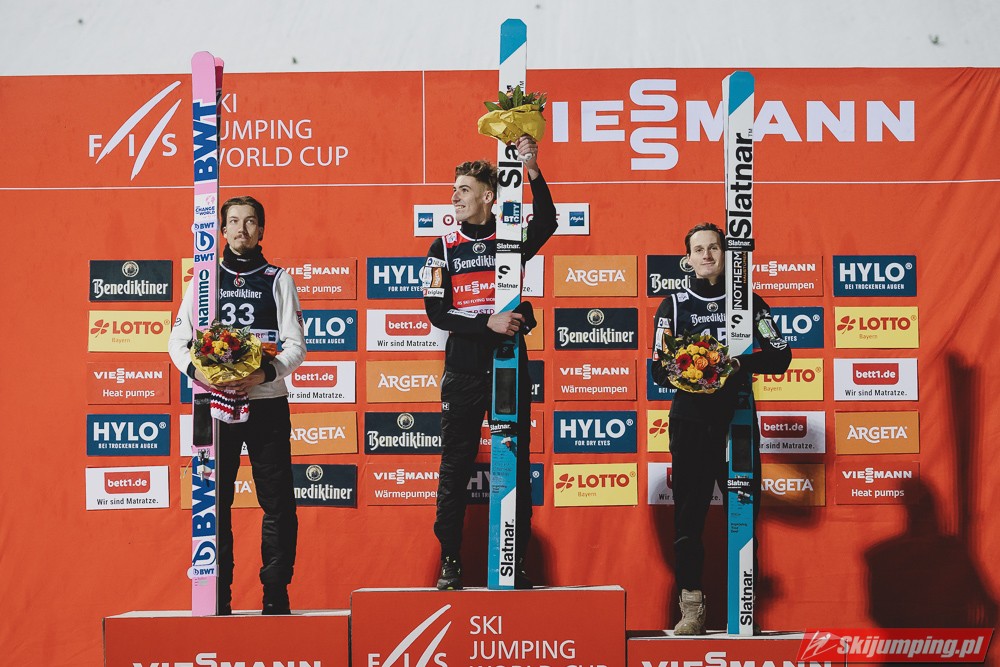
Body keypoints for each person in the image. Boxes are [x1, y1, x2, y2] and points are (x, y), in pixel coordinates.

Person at [421, 134, 557, 590]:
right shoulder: (441, 247)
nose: (455, 197)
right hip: (462, 370)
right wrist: (488, 323)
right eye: (454, 190)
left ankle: (514, 563)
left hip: (509, 366)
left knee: (515, 464)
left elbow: (549, 221)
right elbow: (437, 312)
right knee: (455, 468)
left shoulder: (511, 238)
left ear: (488, 197)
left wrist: (531, 168)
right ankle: (450, 561)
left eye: (463, 190)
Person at [169, 195, 306, 615]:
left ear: (261, 230)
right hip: (212, 406)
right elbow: (177, 342)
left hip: (266, 403)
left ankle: (275, 594)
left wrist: (264, 374)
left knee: (278, 502)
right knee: (213, 502)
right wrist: (202, 374)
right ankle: (218, 595)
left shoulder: (278, 279)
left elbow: (296, 346)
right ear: (222, 230)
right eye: (233, 221)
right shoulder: (204, 279)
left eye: (250, 222)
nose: (242, 229)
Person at [650, 222, 791, 634]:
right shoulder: (674, 305)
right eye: (699, 249)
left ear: (728, 255)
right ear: (688, 259)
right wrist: (694, 371)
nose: (708, 255)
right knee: (688, 519)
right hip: (691, 423)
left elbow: (781, 355)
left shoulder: (749, 302)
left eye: (715, 247)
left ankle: (743, 607)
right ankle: (691, 608)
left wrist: (733, 364)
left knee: (743, 513)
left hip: (737, 420)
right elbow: (658, 368)